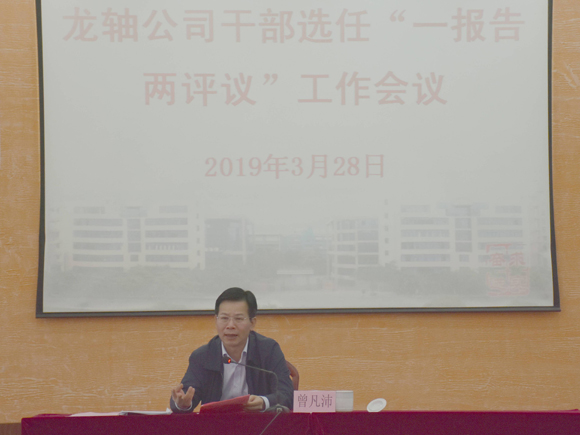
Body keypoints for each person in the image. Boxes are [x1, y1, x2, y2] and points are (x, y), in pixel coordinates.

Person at [170, 287, 294, 412]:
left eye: (238, 319)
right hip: (216, 423)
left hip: (259, 422)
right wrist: (182, 404)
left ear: (252, 323)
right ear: (216, 320)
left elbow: (286, 394)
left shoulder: (269, 350)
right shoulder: (202, 356)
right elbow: (185, 395)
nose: (230, 326)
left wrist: (264, 402)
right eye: (224, 318)